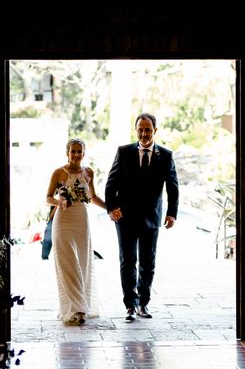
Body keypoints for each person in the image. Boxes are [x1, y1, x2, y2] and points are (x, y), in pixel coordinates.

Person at [105, 112, 179, 322]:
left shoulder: (165, 155)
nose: (144, 134)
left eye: (148, 130)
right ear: (136, 130)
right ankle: (130, 305)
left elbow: (173, 186)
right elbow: (111, 182)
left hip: (151, 218)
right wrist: (112, 207)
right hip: (125, 217)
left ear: (155, 131)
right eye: (140, 130)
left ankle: (143, 304)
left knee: (148, 262)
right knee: (127, 261)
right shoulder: (124, 151)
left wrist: (171, 213)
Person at [46, 138, 107, 325]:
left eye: (79, 151)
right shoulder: (58, 172)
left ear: (84, 153)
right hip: (63, 219)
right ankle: (75, 308)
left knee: (83, 262)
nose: (76, 155)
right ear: (67, 152)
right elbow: (48, 197)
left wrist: (110, 208)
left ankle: (83, 306)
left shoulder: (89, 172)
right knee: (67, 263)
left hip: (81, 218)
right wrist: (60, 202)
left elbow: (93, 196)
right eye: (73, 151)